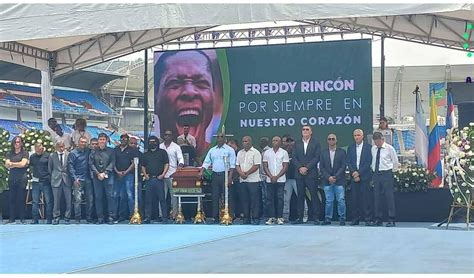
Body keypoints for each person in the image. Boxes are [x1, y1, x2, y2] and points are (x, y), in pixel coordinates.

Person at [154, 50, 222, 157]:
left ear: (213, 96)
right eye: (175, 82)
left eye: (201, 83)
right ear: (156, 98)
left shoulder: (213, 154)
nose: (190, 92)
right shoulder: (157, 153)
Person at [199, 132, 236, 224]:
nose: (219, 138)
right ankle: (215, 217)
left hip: (225, 175)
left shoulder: (229, 150)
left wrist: (230, 177)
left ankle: (229, 216)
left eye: (221, 137)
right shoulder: (212, 150)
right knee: (215, 196)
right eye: (218, 137)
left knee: (227, 196)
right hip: (215, 175)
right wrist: (202, 171)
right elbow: (207, 161)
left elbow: (232, 165)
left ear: (225, 139)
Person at [292, 125, 321, 224]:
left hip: (311, 173)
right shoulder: (297, 143)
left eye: (307, 129)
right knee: (300, 196)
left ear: (311, 131)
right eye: (303, 129)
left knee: (314, 195)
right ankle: (300, 218)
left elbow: (317, 157)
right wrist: (300, 168)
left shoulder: (316, 142)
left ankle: (316, 218)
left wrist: (307, 167)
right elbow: (294, 157)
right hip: (299, 173)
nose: (305, 131)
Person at [371, 132, 399, 227]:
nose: (377, 144)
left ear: (382, 139)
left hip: (386, 173)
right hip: (376, 174)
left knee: (389, 197)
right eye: (375, 142)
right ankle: (378, 219)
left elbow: (395, 162)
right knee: (376, 197)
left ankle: (391, 219)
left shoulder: (389, 148)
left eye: (378, 142)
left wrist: (391, 172)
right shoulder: (373, 149)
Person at [347, 129, 373, 226]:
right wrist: (354, 173)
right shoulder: (350, 148)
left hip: (365, 177)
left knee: (366, 199)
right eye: (355, 135)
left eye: (358, 135)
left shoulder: (369, 147)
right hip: (354, 177)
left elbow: (368, 162)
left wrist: (359, 173)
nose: (356, 137)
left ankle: (367, 219)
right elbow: (348, 161)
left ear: (362, 136)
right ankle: (355, 219)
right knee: (354, 199)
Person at [319, 134, 347, 226]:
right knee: (329, 200)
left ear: (336, 140)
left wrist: (335, 177)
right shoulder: (323, 153)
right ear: (327, 141)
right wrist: (329, 177)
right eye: (329, 139)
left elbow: (343, 166)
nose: (331, 140)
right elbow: (322, 167)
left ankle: (342, 218)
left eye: (333, 139)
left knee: (341, 200)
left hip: (339, 180)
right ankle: (328, 218)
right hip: (327, 181)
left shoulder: (342, 152)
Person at [142, 136, 169, 224]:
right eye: (150, 142)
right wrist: (145, 175)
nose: (152, 143)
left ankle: (164, 217)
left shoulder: (162, 152)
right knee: (148, 199)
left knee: (162, 199)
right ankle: (148, 217)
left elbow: (166, 164)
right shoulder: (145, 154)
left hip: (159, 179)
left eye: (154, 142)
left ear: (157, 143)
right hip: (149, 179)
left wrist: (163, 174)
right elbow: (143, 166)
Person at [89, 133, 115, 224]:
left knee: (110, 197)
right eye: (100, 139)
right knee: (98, 197)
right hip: (97, 178)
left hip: (108, 177)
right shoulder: (93, 151)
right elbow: (91, 164)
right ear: (98, 140)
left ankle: (111, 217)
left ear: (106, 140)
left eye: (104, 139)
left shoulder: (111, 151)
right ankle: (100, 217)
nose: (102, 141)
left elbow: (112, 162)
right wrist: (98, 174)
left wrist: (105, 172)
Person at [262, 136, 289, 225]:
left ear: (280, 142)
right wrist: (271, 176)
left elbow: (285, 166)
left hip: (280, 179)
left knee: (280, 199)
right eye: (273, 140)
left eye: (277, 140)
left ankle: (279, 217)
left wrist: (277, 176)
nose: (275, 142)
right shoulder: (267, 152)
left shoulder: (284, 152)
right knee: (270, 199)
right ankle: (271, 217)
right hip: (270, 179)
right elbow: (265, 166)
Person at [236, 136, 262, 225]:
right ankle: (246, 218)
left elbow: (257, 165)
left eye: (246, 141)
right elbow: (237, 165)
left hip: (253, 180)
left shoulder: (256, 152)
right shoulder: (240, 153)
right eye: (243, 141)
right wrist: (241, 174)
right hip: (243, 180)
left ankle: (255, 218)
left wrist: (246, 173)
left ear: (250, 142)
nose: (244, 143)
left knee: (255, 200)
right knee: (244, 200)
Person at [68, 136, 94, 224]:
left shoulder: (88, 151)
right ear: (78, 142)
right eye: (82, 142)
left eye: (85, 142)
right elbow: (70, 167)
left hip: (88, 179)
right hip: (78, 179)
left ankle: (88, 217)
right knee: (77, 200)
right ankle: (77, 218)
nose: (83, 143)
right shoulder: (73, 153)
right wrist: (74, 178)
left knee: (90, 199)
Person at [160, 130, 184, 219]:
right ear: (164, 136)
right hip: (161, 174)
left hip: (172, 174)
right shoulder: (160, 146)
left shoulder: (176, 147)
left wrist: (180, 165)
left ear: (172, 136)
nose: (167, 136)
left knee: (174, 196)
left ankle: (174, 215)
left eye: (169, 135)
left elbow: (180, 158)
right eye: (165, 135)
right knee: (162, 196)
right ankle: (162, 215)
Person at [5, 136, 29, 224]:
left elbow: (23, 164)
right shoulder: (10, 153)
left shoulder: (24, 153)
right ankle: (12, 218)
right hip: (12, 178)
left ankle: (22, 218)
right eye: (15, 142)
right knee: (11, 199)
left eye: (18, 142)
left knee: (21, 199)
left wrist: (12, 164)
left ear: (21, 143)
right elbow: (7, 164)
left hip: (21, 178)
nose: (17, 144)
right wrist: (14, 164)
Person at [48, 140, 72, 225]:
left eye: (63, 146)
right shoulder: (52, 156)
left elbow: (70, 167)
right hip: (56, 180)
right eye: (60, 146)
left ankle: (67, 217)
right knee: (56, 200)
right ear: (56, 147)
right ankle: (56, 217)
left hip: (66, 180)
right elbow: (49, 169)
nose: (62, 148)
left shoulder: (68, 155)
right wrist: (54, 176)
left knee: (68, 200)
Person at [113, 133, 135, 222]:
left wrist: (126, 172)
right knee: (119, 196)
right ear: (120, 139)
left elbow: (133, 163)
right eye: (122, 139)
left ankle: (132, 216)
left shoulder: (131, 150)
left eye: (125, 139)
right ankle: (120, 216)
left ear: (128, 140)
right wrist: (117, 172)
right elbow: (112, 162)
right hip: (117, 175)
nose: (123, 140)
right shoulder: (115, 150)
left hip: (128, 175)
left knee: (130, 196)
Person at [29, 143, 53, 224]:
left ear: (43, 149)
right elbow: (31, 167)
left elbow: (51, 168)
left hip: (46, 182)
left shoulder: (48, 156)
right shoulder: (32, 157)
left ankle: (49, 219)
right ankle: (35, 219)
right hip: (36, 182)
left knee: (48, 201)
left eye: (39, 150)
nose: (38, 152)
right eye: (36, 150)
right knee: (35, 202)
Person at [282, 134, 297, 221]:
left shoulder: (298, 151)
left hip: (296, 178)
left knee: (301, 197)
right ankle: (285, 216)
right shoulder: (283, 153)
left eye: (291, 142)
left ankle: (304, 214)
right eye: (287, 142)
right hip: (286, 178)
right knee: (286, 199)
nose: (289, 144)